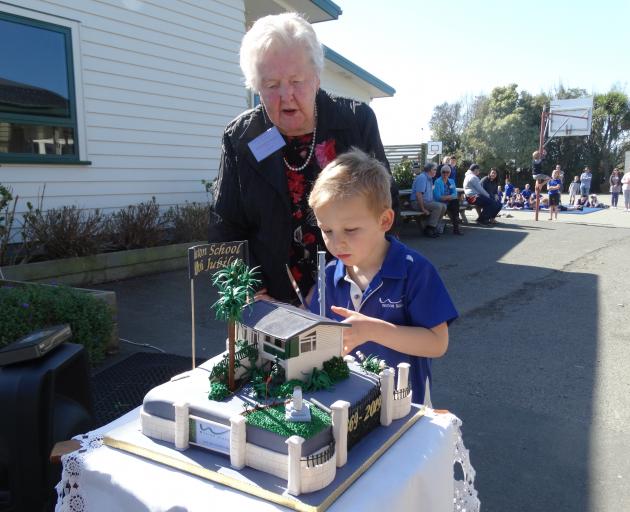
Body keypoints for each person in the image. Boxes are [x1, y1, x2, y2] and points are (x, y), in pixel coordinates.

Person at [208, 13, 395, 304]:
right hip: (272, 305)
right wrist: (248, 292)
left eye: (297, 80)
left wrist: (339, 282)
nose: (286, 95)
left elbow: (383, 211)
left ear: (317, 78)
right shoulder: (241, 138)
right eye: (271, 85)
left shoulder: (356, 123)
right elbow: (226, 228)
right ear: (256, 87)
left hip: (351, 297)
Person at [307, 149, 458, 405]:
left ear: (385, 220)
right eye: (326, 230)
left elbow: (437, 343)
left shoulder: (415, 271)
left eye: (351, 229)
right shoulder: (330, 273)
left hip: (406, 405)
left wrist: (373, 331)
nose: (336, 242)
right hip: (347, 401)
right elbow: (316, 329)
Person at [410, 162, 446, 238]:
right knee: (438, 206)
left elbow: (429, 195)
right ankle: (429, 229)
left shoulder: (429, 179)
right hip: (416, 203)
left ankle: (433, 226)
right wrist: (423, 209)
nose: (436, 171)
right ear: (429, 170)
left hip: (426, 202)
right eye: (434, 169)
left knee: (444, 206)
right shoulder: (422, 178)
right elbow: (419, 194)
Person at [434, 165, 464, 235]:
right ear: (441, 173)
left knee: (455, 202)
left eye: (447, 172)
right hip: (440, 202)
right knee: (455, 204)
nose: (445, 174)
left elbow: (455, 194)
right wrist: (449, 197)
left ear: (449, 173)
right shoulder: (437, 182)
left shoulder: (451, 181)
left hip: (449, 202)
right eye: (443, 172)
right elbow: (438, 197)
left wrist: (447, 197)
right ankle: (456, 228)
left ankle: (456, 228)